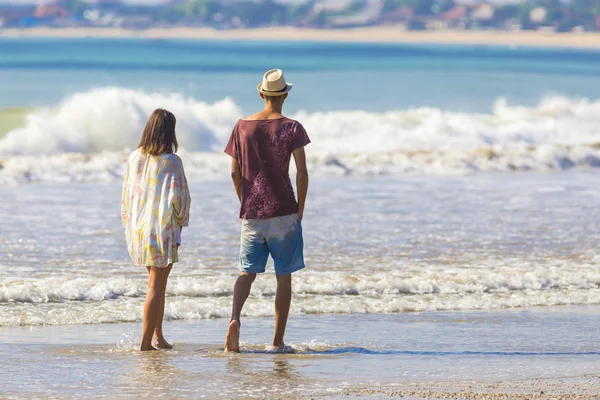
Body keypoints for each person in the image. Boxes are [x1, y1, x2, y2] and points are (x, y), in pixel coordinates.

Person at [223, 69, 310, 353]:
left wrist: (244, 202)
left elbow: (235, 173)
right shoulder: (292, 127)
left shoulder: (241, 126)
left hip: (252, 213)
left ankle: (235, 318)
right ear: (284, 95)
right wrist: (300, 209)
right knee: (283, 276)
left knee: (246, 272)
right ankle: (277, 341)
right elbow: (302, 174)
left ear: (261, 94)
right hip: (284, 211)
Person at [121, 108, 191, 351]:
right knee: (156, 285)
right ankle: (144, 343)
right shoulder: (172, 162)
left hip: (138, 228)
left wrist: (129, 224)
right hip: (161, 229)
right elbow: (180, 200)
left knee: (156, 283)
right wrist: (182, 221)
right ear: (169, 132)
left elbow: (126, 195)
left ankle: (157, 337)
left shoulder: (134, 158)